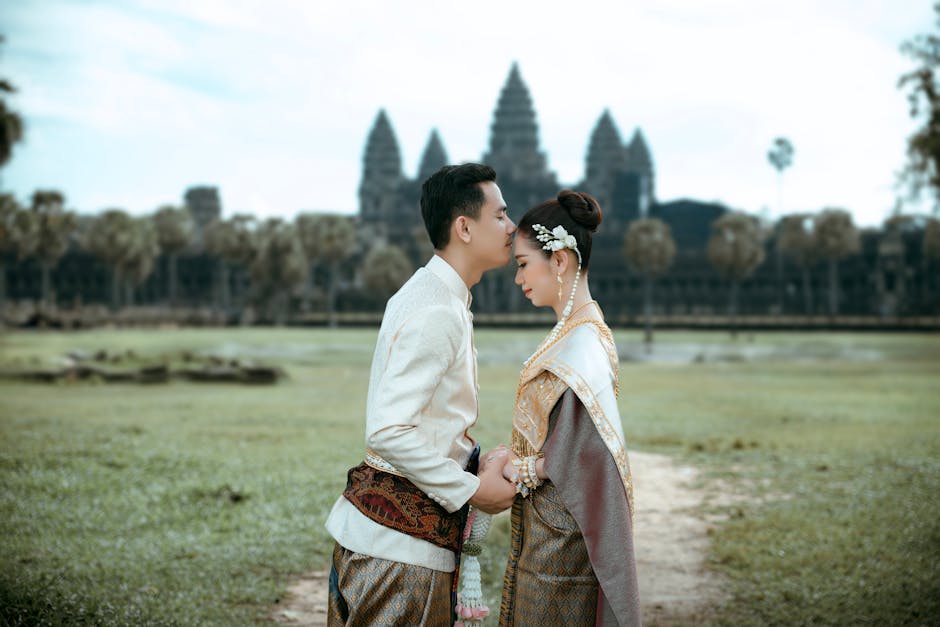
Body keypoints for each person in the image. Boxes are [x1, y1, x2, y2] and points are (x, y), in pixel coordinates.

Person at [326, 163, 519, 626]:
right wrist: (474, 490)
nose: (512, 227)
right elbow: (388, 429)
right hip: (400, 560)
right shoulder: (438, 311)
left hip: (385, 547)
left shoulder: (429, 295)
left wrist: (474, 459)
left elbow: (428, 420)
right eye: (500, 216)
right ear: (464, 228)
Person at [498, 190, 641, 626]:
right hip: (548, 526)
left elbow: (587, 454)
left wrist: (522, 469)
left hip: (564, 542)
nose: (519, 278)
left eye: (524, 263)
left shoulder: (584, 343)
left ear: (559, 260)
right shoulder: (573, 333)